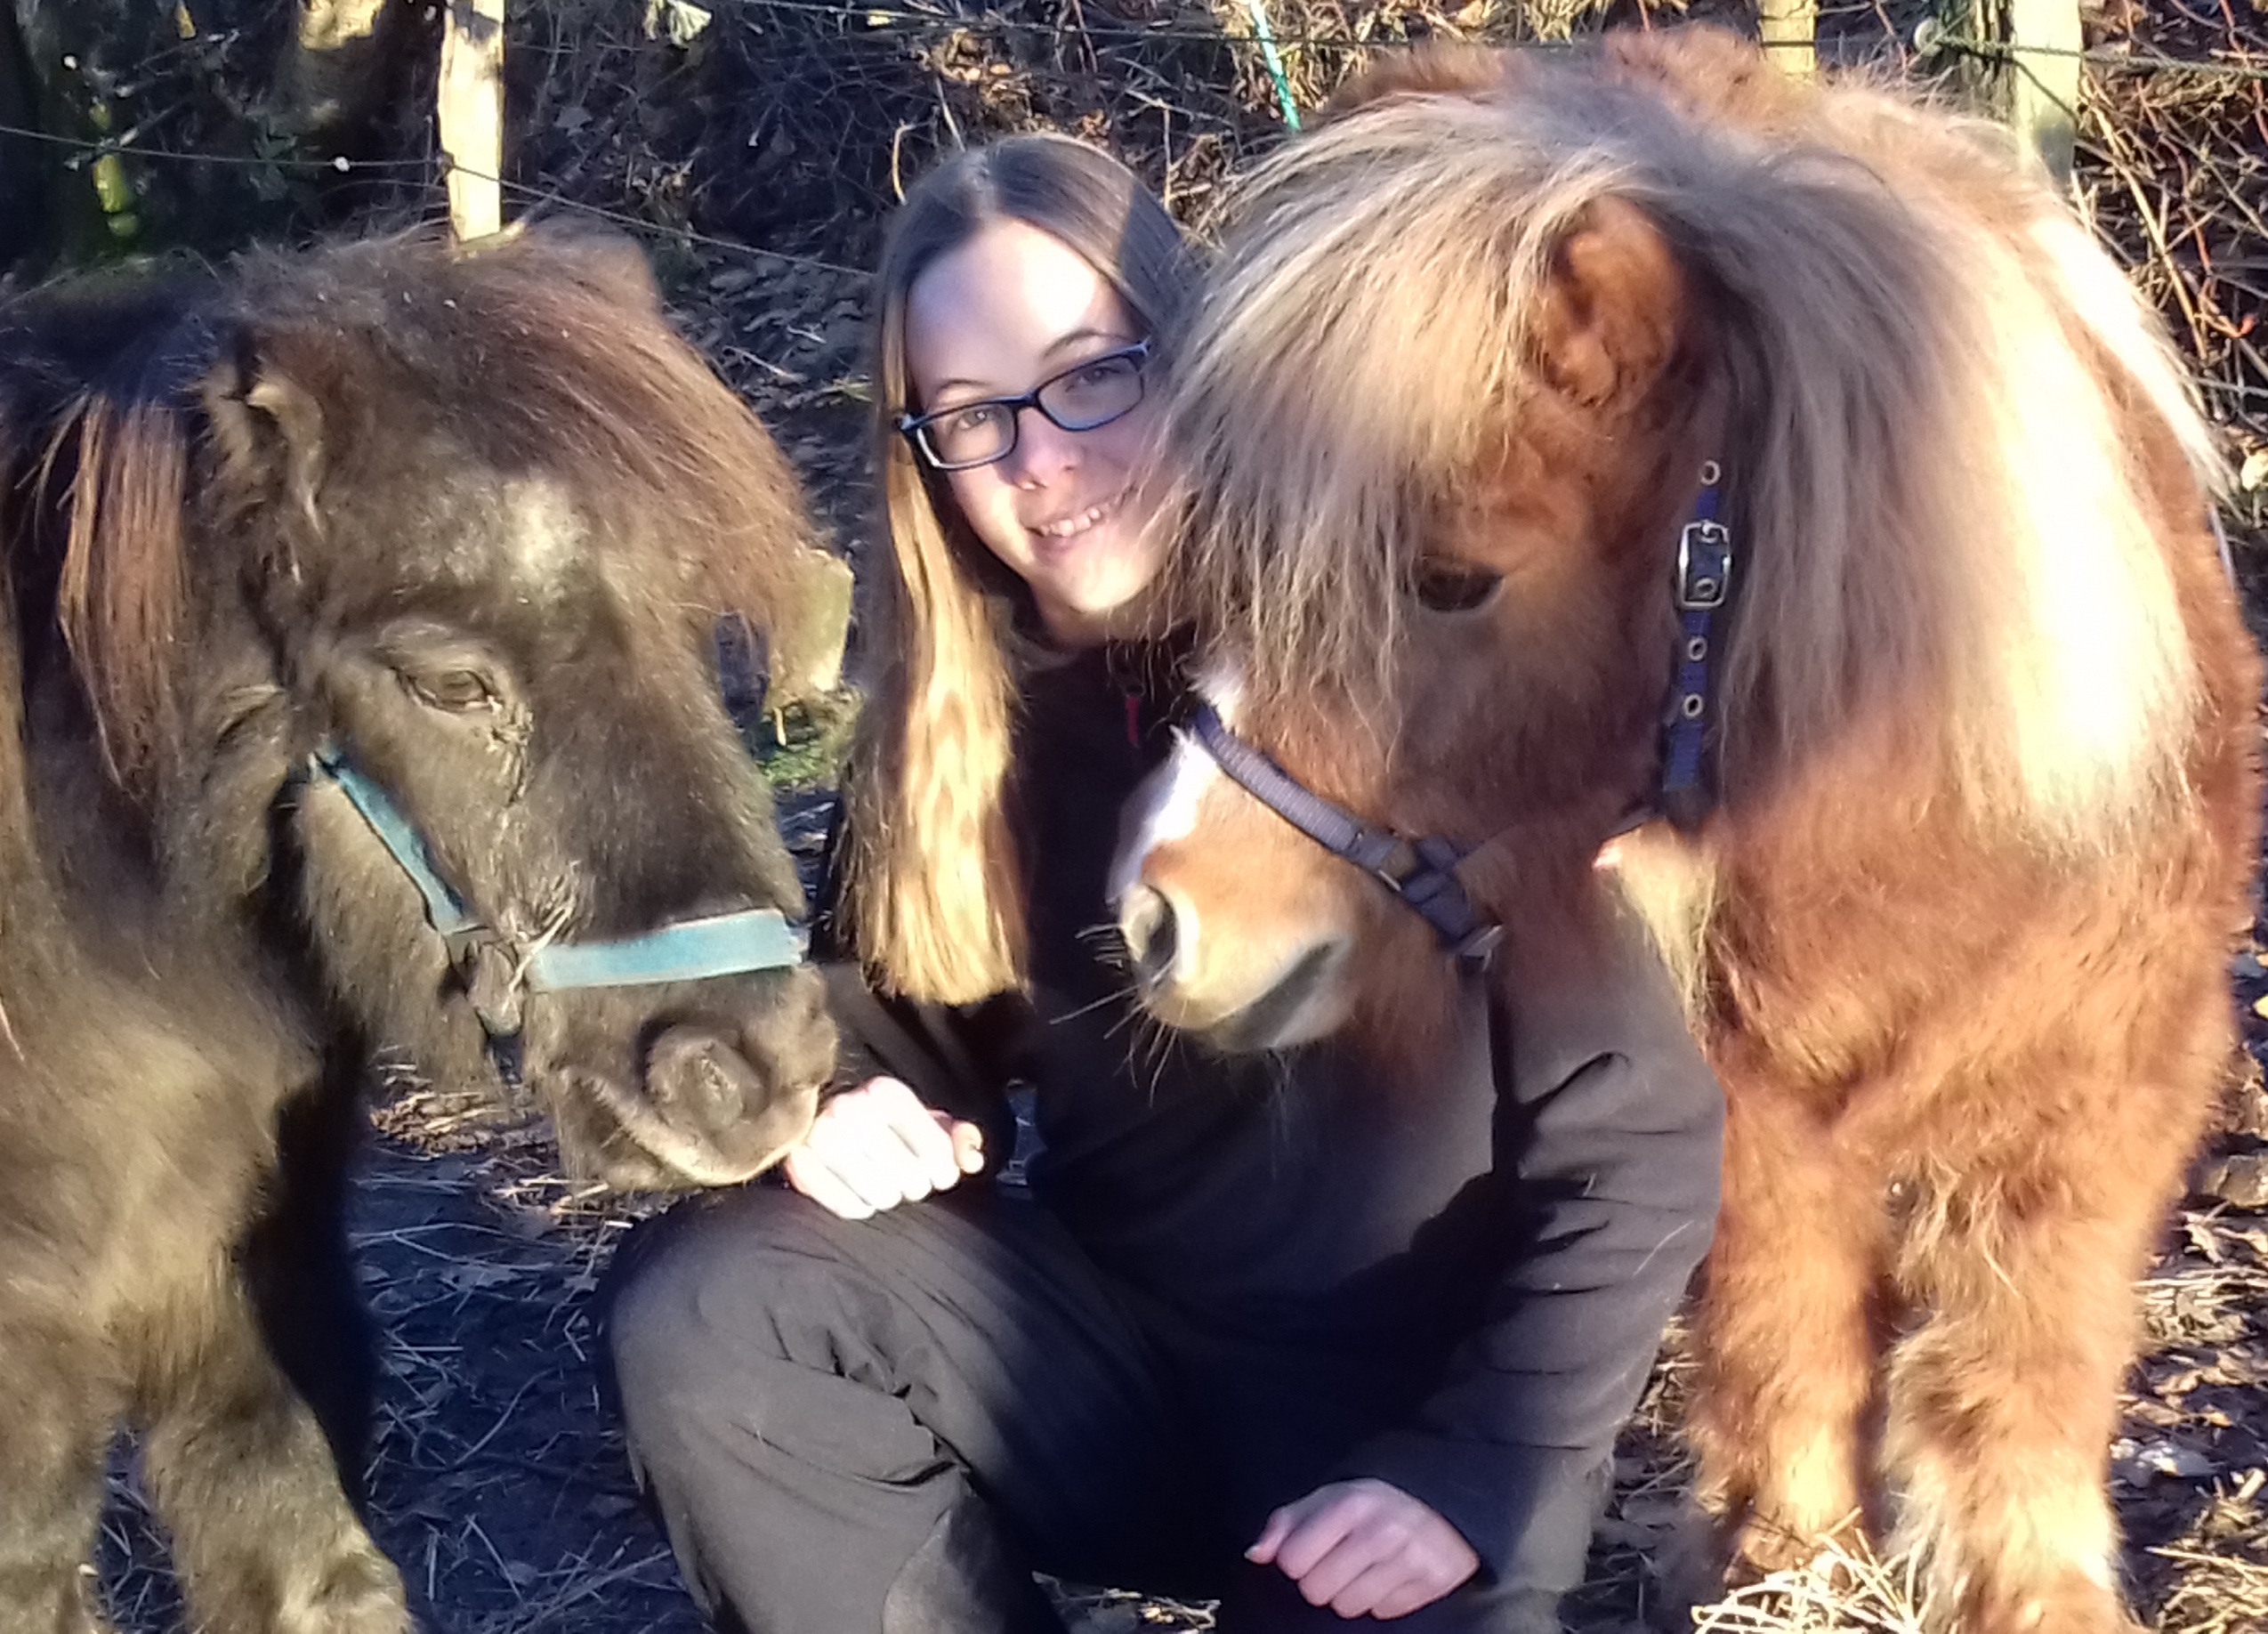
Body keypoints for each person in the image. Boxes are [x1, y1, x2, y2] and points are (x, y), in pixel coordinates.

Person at [602, 132, 1723, 1634]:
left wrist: (1482, 1463)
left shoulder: (1420, 673)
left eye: (1089, 376)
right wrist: (839, 1102)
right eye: (971, 417)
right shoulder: (957, 732)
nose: (1042, 460)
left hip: (1398, 1446)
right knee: (712, 1310)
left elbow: (1640, 1144)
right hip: (1107, 1374)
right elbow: (891, 1025)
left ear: (1201, 357)